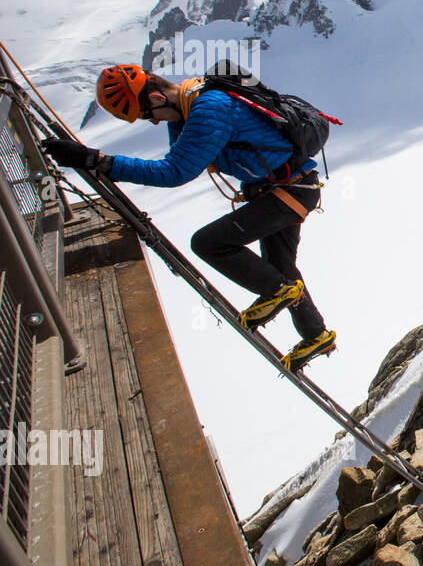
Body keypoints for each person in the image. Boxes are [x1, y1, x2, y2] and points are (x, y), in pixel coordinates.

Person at [40, 63, 337, 373]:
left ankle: (276, 291)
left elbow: (174, 172)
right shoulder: (186, 106)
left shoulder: (208, 108)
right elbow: (177, 160)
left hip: (287, 191)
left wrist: (96, 160)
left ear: (155, 98)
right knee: (280, 265)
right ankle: (316, 335)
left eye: (147, 114)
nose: (153, 121)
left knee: (209, 243)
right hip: (284, 188)